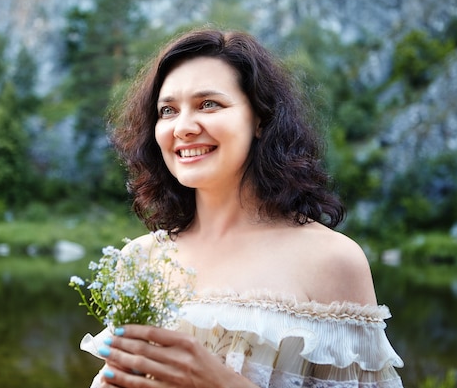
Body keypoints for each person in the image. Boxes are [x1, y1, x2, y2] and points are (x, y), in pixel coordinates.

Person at [80, 28, 404, 388]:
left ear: (261, 119)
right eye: (167, 110)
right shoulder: (139, 260)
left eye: (209, 104)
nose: (184, 127)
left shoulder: (331, 260)